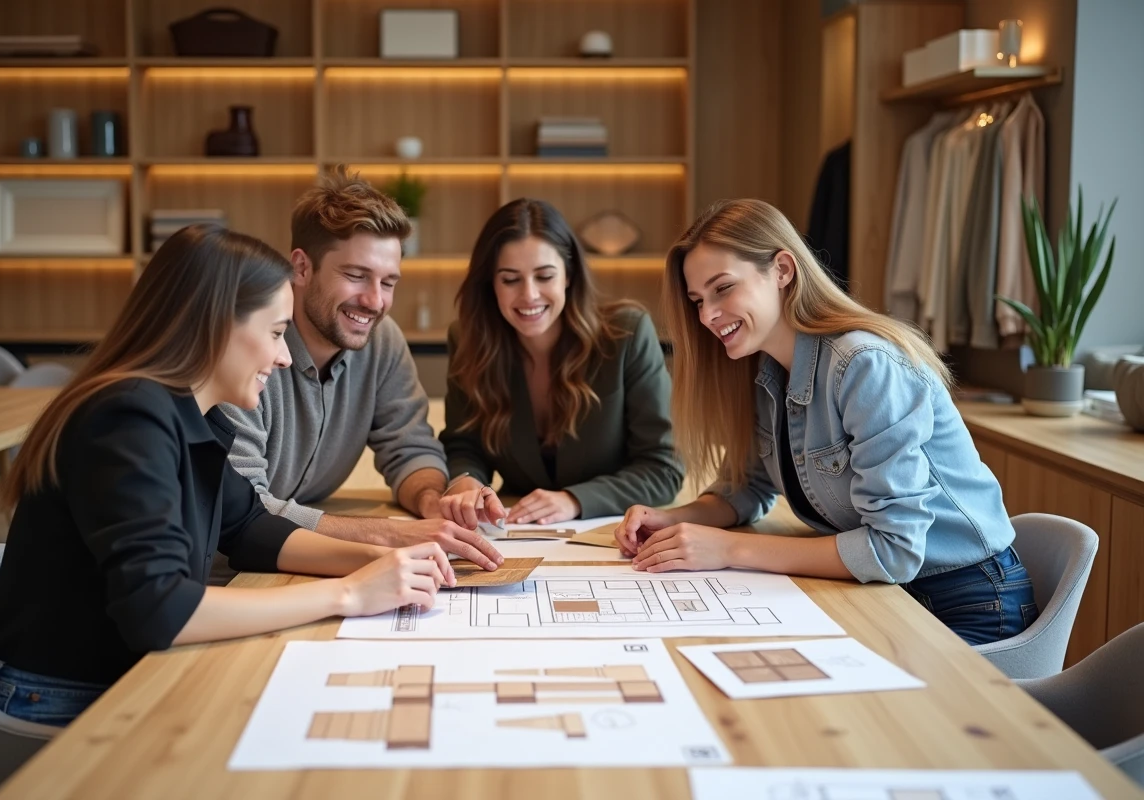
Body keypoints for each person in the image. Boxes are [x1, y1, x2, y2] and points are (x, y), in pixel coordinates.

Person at [0, 225, 452, 726]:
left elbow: (249, 527)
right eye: (275, 333)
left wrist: (384, 562)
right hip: (54, 694)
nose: (285, 356)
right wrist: (351, 593)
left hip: (126, 671)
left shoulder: (187, 411)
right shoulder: (126, 419)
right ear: (215, 325)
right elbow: (158, 609)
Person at [613, 199, 1036, 646]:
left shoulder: (863, 365)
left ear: (782, 270)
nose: (706, 316)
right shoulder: (765, 370)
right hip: (886, 594)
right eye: (698, 300)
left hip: (969, 601)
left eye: (723, 289)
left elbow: (894, 550)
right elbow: (748, 490)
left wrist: (729, 549)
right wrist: (670, 520)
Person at [220, 166, 502, 571]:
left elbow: (409, 448)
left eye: (388, 283)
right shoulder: (245, 345)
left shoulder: (382, 340)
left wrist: (435, 503)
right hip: (224, 572)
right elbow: (243, 507)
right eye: (356, 276)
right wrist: (388, 534)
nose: (374, 302)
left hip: (297, 562)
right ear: (301, 268)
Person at [438, 198, 684, 527]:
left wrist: (574, 500)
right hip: (513, 529)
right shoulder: (468, 339)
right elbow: (463, 445)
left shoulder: (627, 333)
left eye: (544, 276)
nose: (529, 295)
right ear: (490, 284)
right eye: (510, 279)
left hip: (611, 531)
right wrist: (465, 481)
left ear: (568, 275)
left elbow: (663, 469)